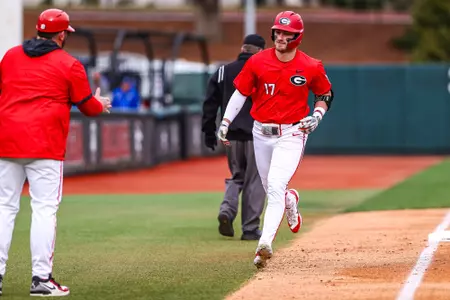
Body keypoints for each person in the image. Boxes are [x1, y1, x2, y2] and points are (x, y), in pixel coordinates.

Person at [0, 8, 111, 296]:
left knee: (4, 208)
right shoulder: (69, 63)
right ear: (62, 35)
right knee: (44, 209)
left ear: (38, 30)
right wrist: (100, 104)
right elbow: (88, 107)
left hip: (7, 140)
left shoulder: (11, 56)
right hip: (44, 145)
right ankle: (40, 279)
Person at [217, 11, 334, 268]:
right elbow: (240, 94)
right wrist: (225, 121)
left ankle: (264, 245)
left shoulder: (311, 65)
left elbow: (325, 94)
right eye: (278, 32)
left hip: (292, 133)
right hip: (260, 132)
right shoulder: (258, 61)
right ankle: (291, 201)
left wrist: (317, 115)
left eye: (287, 33)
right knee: (274, 187)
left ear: (297, 37)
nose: (281, 37)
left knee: (275, 187)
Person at [202, 34, 267, 241]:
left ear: (242, 48)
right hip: (257, 135)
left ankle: (227, 211)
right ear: (260, 51)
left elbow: (210, 104)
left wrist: (209, 132)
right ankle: (249, 229)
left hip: (231, 135)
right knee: (255, 180)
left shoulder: (223, 71)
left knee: (237, 176)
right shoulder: (264, 70)